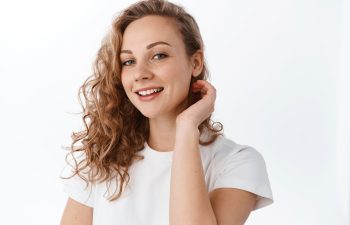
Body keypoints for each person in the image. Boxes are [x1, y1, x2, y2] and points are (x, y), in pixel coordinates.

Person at [60, 0, 274, 224]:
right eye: (129, 61)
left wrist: (186, 127)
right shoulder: (102, 158)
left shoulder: (236, 163)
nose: (140, 73)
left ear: (196, 63)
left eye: (158, 55)